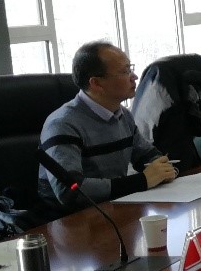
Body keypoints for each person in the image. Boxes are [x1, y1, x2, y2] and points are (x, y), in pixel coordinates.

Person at [37, 41, 177, 212]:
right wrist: (142, 180)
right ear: (96, 83)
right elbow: (71, 190)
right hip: (68, 219)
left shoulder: (123, 115)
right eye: (125, 71)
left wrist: (163, 168)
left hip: (113, 208)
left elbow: (146, 155)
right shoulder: (62, 124)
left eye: (130, 68)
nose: (134, 76)